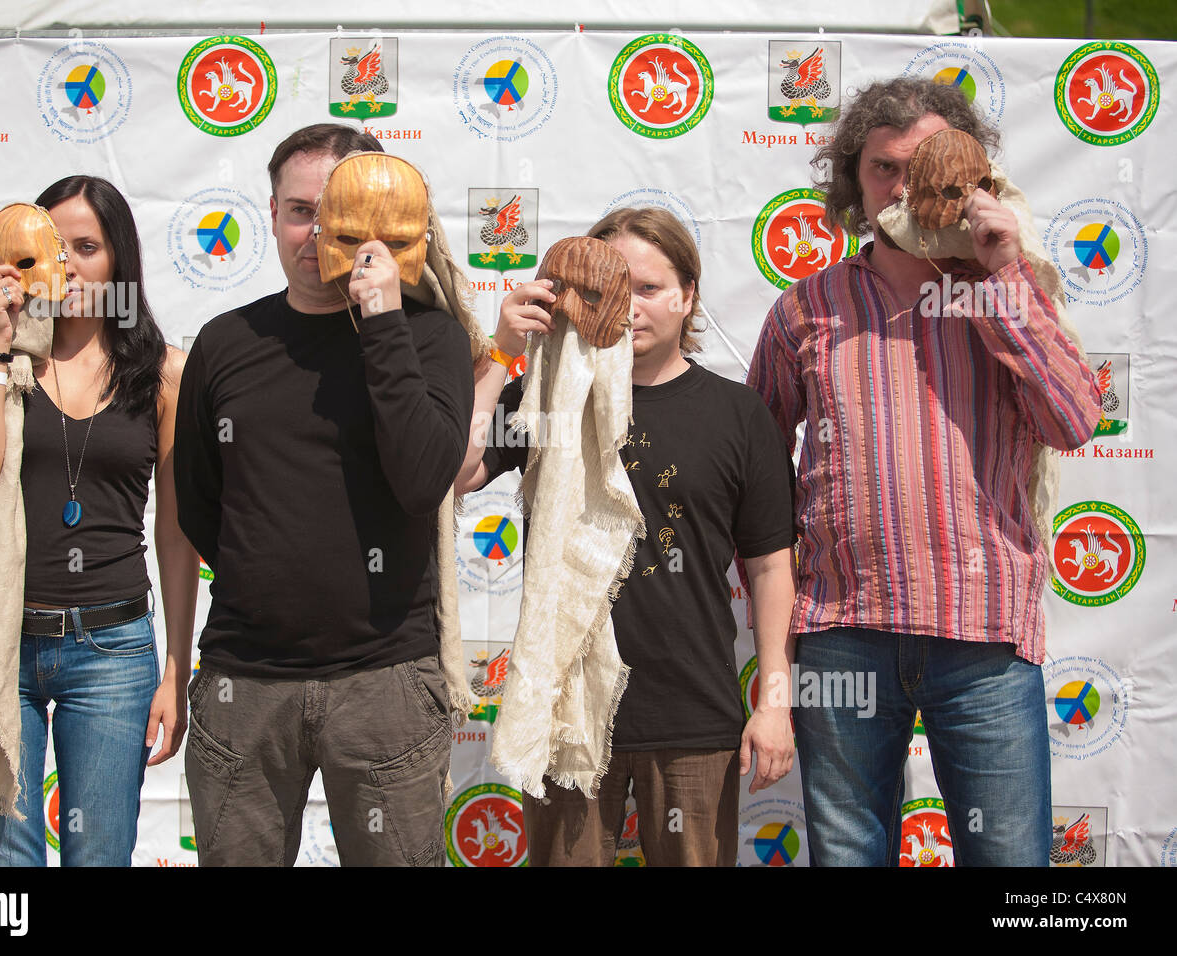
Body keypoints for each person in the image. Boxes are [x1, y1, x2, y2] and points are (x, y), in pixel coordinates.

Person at [748, 77, 1101, 866]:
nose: (904, 187)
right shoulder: (807, 307)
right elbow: (756, 462)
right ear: (854, 185)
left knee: (1009, 862)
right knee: (846, 858)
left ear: (973, 178)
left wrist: (1002, 274)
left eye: (929, 168)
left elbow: (1075, 420)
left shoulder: (1007, 288)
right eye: (883, 169)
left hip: (983, 636)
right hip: (844, 632)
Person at [455, 207, 797, 866]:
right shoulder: (543, 397)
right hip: (566, 719)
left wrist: (775, 702)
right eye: (610, 288)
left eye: (649, 287)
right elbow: (461, 470)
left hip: (694, 716)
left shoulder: (738, 416)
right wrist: (501, 353)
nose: (631, 307)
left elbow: (770, 570)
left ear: (687, 295)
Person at [173, 124, 474, 866]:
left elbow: (420, 480)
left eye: (337, 217)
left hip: (387, 686)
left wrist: (380, 323)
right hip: (244, 683)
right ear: (272, 213)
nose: (316, 235)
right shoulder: (223, 343)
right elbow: (199, 505)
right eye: (300, 211)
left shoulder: (428, 337)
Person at [0, 176, 197, 866]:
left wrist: (176, 664)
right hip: (0, 643)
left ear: (118, 259)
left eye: (87, 247)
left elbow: (175, 534)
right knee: (5, 866)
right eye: (51, 248)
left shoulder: (164, 374)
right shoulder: (1, 359)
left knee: (99, 855)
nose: (69, 265)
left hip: (113, 652)